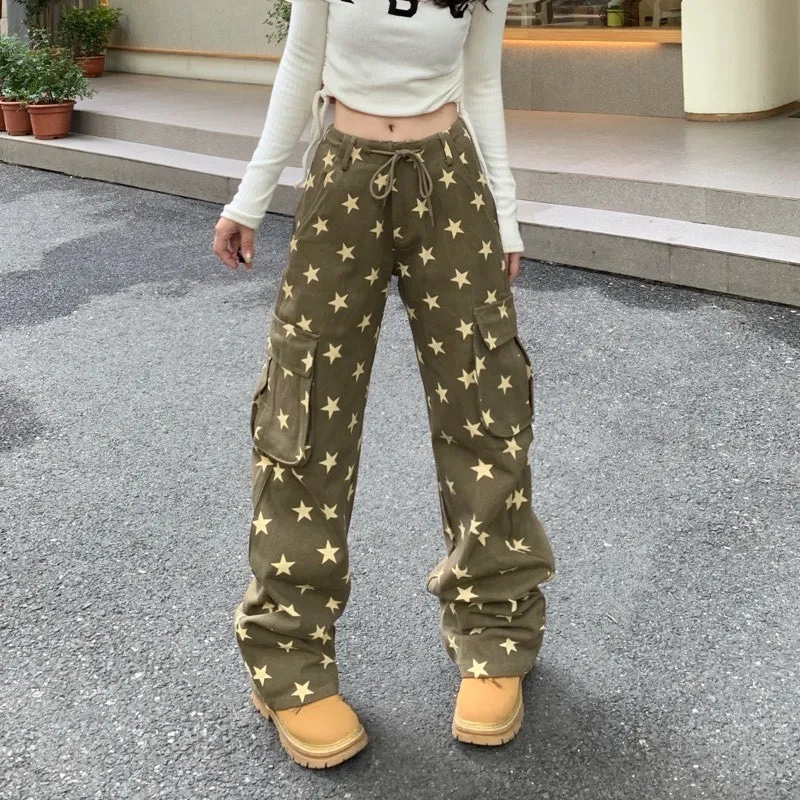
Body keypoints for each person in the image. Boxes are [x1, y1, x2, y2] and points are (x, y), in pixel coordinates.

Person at [212, 0, 556, 769]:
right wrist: (250, 199)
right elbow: (301, 67)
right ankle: (288, 655)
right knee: (306, 410)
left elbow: (482, 82)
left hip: (451, 179)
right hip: (343, 177)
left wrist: (504, 213)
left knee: (484, 399)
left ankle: (495, 627)